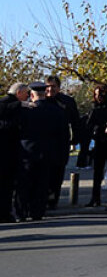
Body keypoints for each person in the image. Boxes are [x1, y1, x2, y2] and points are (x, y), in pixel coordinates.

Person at [15, 82, 64, 221]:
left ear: (31, 95)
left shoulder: (25, 111)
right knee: (42, 184)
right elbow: (62, 134)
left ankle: (22, 212)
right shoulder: (57, 110)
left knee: (24, 183)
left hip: (26, 151)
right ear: (44, 94)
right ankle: (37, 212)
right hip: (47, 152)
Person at [44, 75, 79, 209]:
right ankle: (44, 199)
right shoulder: (40, 100)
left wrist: (75, 140)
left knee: (57, 173)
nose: (50, 90)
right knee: (44, 173)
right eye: (48, 86)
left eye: (53, 86)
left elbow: (75, 122)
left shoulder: (67, 101)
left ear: (59, 88)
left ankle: (53, 201)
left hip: (61, 142)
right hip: (44, 143)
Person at [85, 84, 107, 207]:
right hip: (99, 142)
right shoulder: (95, 108)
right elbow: (89, 125)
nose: (97, 97)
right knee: (97, 172)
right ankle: (95, 198)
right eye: (95, 95)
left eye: (100, 94)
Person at [1, 83, 30, 223]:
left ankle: (6, 212)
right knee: (6, 185)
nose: (27, 97)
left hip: (10, 152)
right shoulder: (8, 103)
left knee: (8, 185)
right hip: (6, 152)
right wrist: (21, 105)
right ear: (19, 92)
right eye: (26, 94)